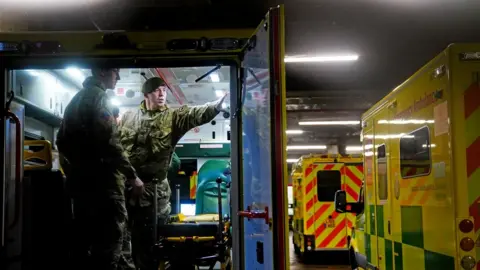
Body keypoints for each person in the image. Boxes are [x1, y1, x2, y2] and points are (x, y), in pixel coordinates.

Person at [118, 76, 227, 269]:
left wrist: (215, 106)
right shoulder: (127, 118)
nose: (162, 94)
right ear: (146, 95)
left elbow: (194, 114)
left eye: (164, 90)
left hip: (154, 193)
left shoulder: (173, 118)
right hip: (127, 189)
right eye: (157, 91)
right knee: (124, 239)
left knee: (153, 242)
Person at [56, 68, 144, 270]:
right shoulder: (99, 97)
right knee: (112, 245)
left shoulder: (75, 101)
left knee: (84, 246)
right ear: (103, 72)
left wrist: (76, 172)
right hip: (104, 187)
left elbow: (61, 141)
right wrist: (132, 176)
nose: (119, 77)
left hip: (81, 188)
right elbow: (110, 143)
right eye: (116, 72)